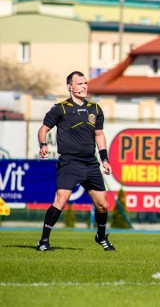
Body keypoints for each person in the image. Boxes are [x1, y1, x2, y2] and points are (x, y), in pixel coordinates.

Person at [36, 71, 115, 251]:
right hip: (69, 162)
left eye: (85, 83)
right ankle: (43, 242)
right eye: (80, 83)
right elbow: (43, 129)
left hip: (90, 163)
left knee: (102, 205)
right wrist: (43, 144)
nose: (84, 87)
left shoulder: (95, 109)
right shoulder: (60, 108)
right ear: (70, 87)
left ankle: (101, 236)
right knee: (61, 199)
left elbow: (99, 135)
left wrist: (105, 160)